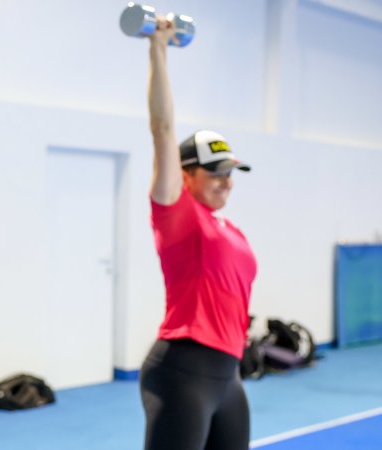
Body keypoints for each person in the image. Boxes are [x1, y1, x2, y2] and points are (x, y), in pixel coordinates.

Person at [139, 17, 258, 450]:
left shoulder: (230, 228)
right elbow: (163, 130)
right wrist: (159, 48)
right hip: (183, 372)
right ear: (185, 175)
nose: (227, 181)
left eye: (231, 172)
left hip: (228, 376)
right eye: (216, 172)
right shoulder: (177, 213)